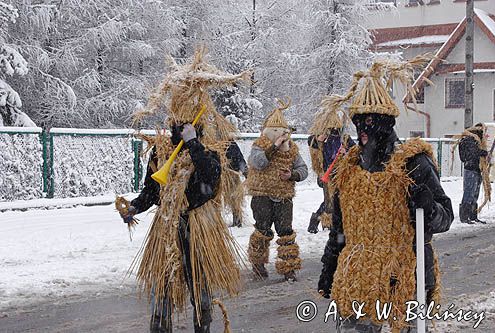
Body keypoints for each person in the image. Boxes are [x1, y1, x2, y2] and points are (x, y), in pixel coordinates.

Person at [119, 48, 251, 333]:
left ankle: (202, 326)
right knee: (161, 287)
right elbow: (152, 191)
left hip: (199, 227)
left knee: (200, 287)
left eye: (186, 126)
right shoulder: (161, 151)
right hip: (166, 227)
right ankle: (159, 327)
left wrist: (193, 145)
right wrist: (134, 207)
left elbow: (212, 178)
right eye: (176, 126)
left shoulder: (210, 150)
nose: (179, 129)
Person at [317, 59, 454, 332]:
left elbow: (445, 216)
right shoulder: (349, 168)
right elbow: (341, 228)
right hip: (356, 281)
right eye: (358, 123)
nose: (362, 131)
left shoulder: (412, 163)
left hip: (401, 282)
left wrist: (428, 207)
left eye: (368, 123)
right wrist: (329, 265)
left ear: (384, 123)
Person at [245, 99, 308, 282]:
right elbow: (258, 163)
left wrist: (293, 175)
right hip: (262, 196)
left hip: (284, 198)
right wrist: (273, 147)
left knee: (286, 232)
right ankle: (258, 264)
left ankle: (289, 268)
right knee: (262, 230)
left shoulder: (292, 150)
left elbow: (303, 170)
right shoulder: (258, 146)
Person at [307, 107, 355, 233]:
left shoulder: (344, 139)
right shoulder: (320, 138)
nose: (333, 130)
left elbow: (355, 151)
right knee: (329, 201)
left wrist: (347, 152)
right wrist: (318, 140)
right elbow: (311, 143)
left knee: (336, 199)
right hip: (327, 175)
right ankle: (317, 220)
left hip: (342, 175)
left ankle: (330, 222)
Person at [458, 123, 489, 224]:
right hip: (470, 169)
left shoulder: (473, 140)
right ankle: (464, 217)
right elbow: (472, 153)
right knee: (469, 193)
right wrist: (483, 152)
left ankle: (472, 216)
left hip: (475, 169)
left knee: (475, 193)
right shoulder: (469, 140)